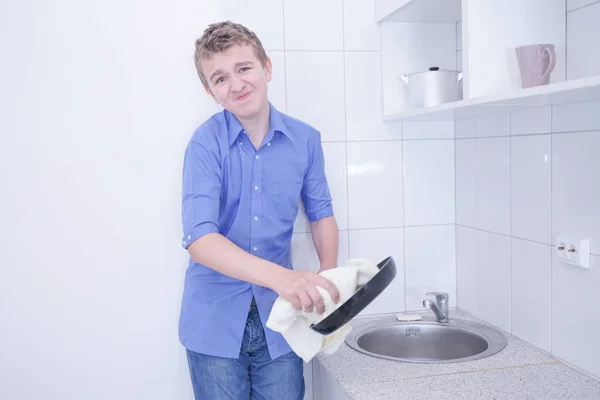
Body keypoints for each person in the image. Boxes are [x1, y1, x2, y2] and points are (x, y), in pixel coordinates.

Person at [179, 20, 342, 399]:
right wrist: (282, 278)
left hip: (283, 323)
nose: (236, 84)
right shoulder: (204, 144)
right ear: (210, 90)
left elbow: (321, 214)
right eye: (219, 79)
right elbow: (200, 239)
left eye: (243, 68)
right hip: (213, 323)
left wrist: (331, 277)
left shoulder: (306, 140)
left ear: (266, 68)